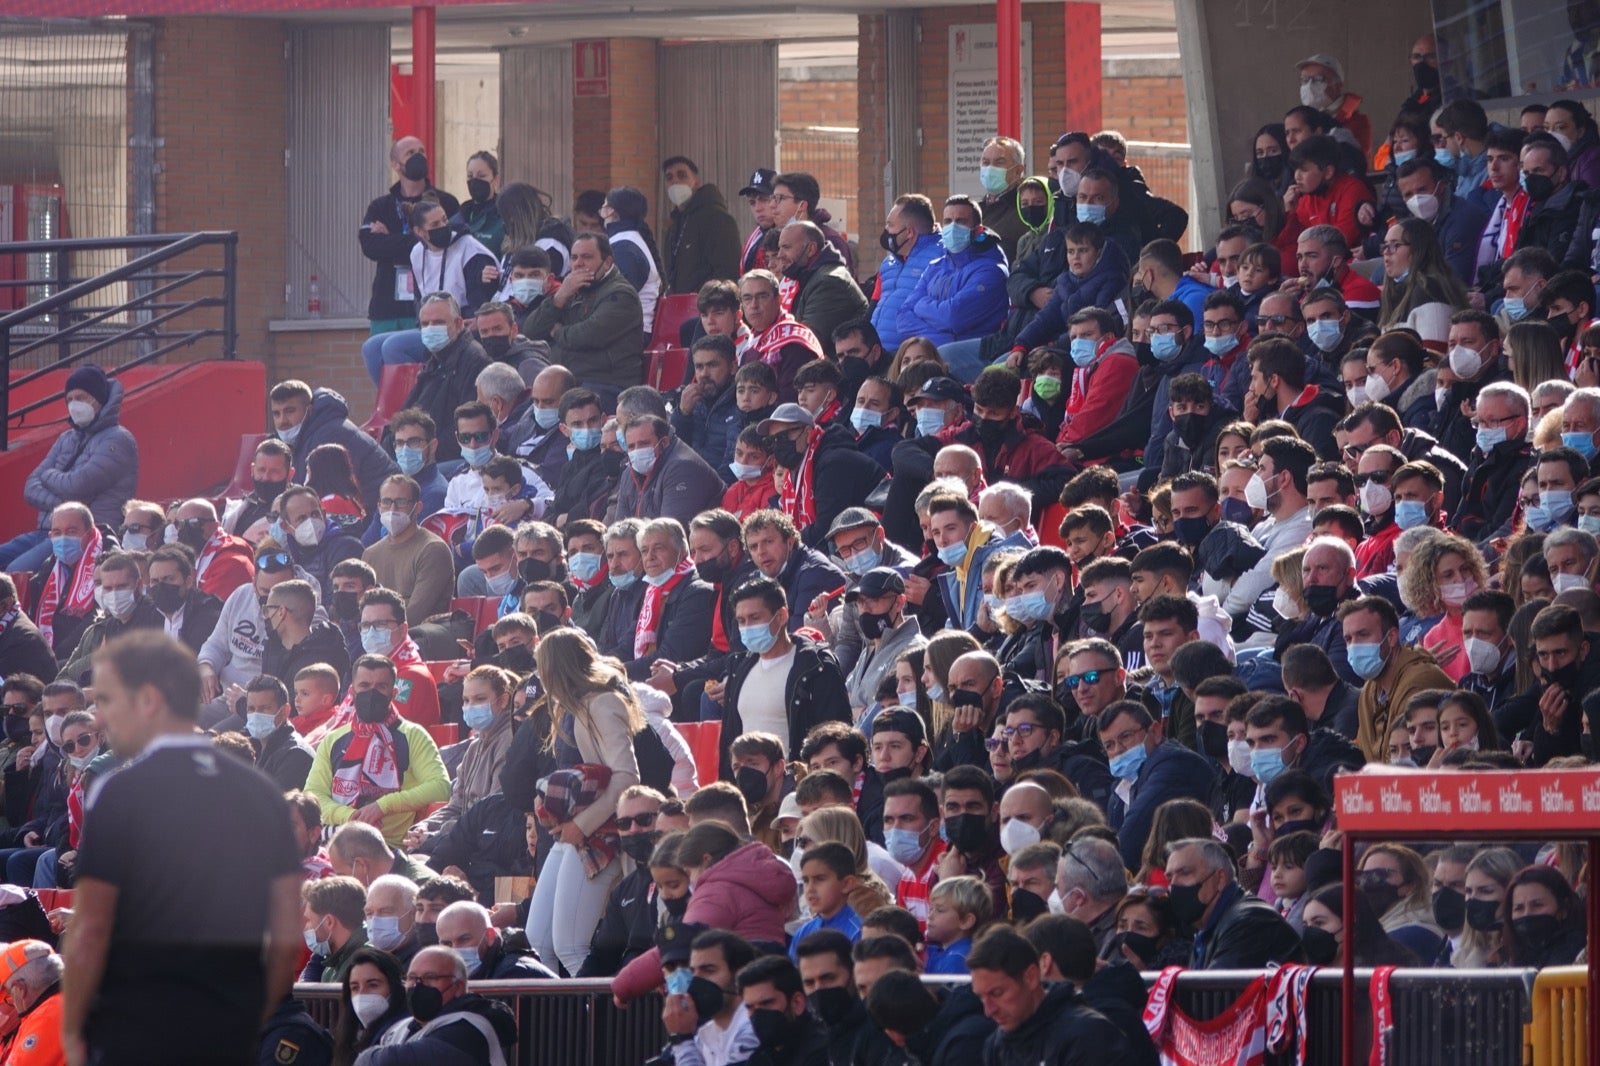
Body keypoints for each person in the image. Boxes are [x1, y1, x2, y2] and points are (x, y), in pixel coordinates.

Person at [64, 632, 303, 1066]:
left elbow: (90, 928)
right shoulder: (263, 791)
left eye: (108, 700)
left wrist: (72, 1029)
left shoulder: (119, 791)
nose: (100, 718)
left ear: (149, 699)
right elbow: (285, 936)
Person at [525, 629, 643, 976]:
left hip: (598, 836)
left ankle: (604, 1024)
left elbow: (626, 777)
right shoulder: (572, 706)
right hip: (572, 835)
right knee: (537, 944)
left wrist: (581, 825)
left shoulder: (603, 702)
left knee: (571, 947)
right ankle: (550, 1027)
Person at [304, 654, 449, 846]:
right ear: (352, 692)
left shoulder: (413, 735)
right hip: (336, 843)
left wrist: (382, 807)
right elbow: (314, 796)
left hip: (390, 849)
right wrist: (351, 817)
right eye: (364, 686)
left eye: (381, 687)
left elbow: (441, 787)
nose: (372, 693)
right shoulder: (333, 739)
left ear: (394, 692)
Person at [712, 578, 850, 775]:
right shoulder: (738, 668)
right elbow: (730, 739)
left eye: (755, 617)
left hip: (797, 790)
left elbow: (837, 736)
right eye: (741, 621)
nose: (747, 627)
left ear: (782, 616)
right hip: (747, 791)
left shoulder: (817, 666)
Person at [965, 925, 1130, 1065]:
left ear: (1030, 977)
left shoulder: (1088, 1036)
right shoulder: (996, 1045)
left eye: (997, 993)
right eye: (981, 997)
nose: (988, 1010)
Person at [358, 136, 460, 359]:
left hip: (429, 306)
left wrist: (391, 238)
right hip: (386, 306)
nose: (418, 157)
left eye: (422, 152)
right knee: (383, 364)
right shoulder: (380, 206)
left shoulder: (446, 203)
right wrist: (419, 239)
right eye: (410, 153)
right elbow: (370, 246)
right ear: (395, 164)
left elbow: (447, 242)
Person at [523, 232, 645, 403]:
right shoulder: (571, 291)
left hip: (606, 384)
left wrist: (557, 332)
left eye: (586, 257)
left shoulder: (621, 294)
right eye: (574, 258)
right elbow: (531, 331)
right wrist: (558, 298)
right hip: (568, 381)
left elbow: (588, 336)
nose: (578, 264)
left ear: (607, 262)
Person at [1097, 700, 1217, 871]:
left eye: (1126, 736)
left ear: (1155, 731)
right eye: (1109, 745)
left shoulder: (1174, 764)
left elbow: (1129, 841)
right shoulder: (1120, 787)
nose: (1118, 749)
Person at [1341, 595, 1456, 763]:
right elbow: (1365, 754)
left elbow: (1403, 756)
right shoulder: (1369, 689)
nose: (1354, 646)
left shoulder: (1420, 682)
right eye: (1348, 639)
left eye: (1363, 634)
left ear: (1392, 637)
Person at [354, 946, 515, 1065]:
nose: (418, 985)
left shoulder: (469, 1027)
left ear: (458, 986)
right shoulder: (402, 1027)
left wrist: (366, 1058)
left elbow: (393, 1061)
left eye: (431, 977)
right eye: (412, 978)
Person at [1164, 836, 1302, 969]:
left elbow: (1216, 990)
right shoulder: (1206, 927)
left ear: (1220, 879)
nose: (1174, 884)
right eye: (1169, 878)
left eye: (1185, 873)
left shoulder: (1249, 922)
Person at [899, 196, 1009, 359]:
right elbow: (903, 318)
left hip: (970, 358)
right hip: (932, 355)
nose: (952, 227)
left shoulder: (991, 270)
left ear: (978, 230)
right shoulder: (935, 266)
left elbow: (954, 317)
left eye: (961, 221)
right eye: (948, 221)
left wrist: (921, 305)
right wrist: (943, 336)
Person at [360, 475, 455, 624]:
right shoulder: (370, 554)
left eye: (401, 502)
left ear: (417, 507)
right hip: (375, 635)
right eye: (386, 502)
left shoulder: (432, 550)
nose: (393, 509)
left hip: (418, 638)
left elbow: (415, 614)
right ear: (379, 507)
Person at [777, 222, 869, 359]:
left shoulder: (829, 282)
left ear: (811, 249)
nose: (779, 255)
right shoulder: (809, 278)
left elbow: (805, 344)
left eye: (786, 247)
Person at [660, 156, 740, 295]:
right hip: (679, 306)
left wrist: (707, 299)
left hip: (708, 307)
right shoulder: (673, 226)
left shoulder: (717, 219)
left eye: (682, 175)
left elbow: (727, 270)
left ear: (696, 182)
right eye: (669, 177)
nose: (675, 181)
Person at [874, 194, 943, 350]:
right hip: (877, 354)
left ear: (910, 232)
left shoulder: (941, 259)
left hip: (910, 357)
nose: (886, 230)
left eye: (890, 225)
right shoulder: (888, 263)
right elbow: (874, 304)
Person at [1294, 54, 1371, 157]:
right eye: (1305, 80)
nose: (1309, 86)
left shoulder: (1357, 122)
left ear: (1338, 85)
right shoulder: (1298, 120)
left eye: (1318, 79)